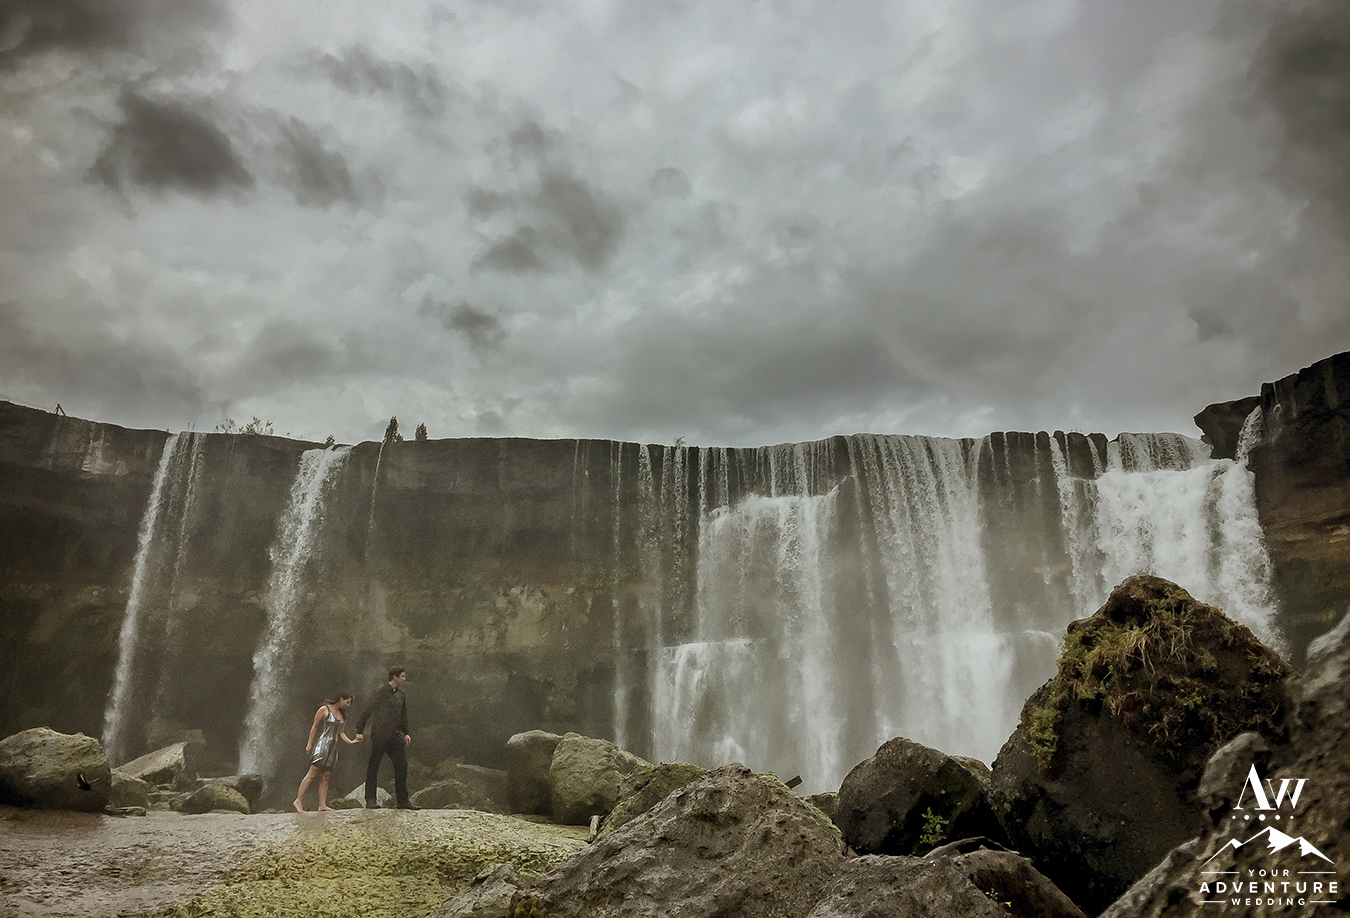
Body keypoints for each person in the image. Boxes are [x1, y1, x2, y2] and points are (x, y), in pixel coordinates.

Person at [353, 667, 416, 809]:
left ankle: (402, 801)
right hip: (380, 734)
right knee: (374, 765)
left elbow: (403, 715)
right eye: (402, 676)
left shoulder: (402, 694)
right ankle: (370, 799)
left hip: (395, 734)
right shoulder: (380, 691)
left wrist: (406, 732)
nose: (404, 679)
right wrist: (360, 730)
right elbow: (367, 709)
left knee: (402, 765)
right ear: (395, 677)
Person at [293, 692, 362, 812]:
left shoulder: (342, 715)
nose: (348, 705)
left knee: (326, 776)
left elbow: (341, 732)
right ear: (341, 699)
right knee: (312, 773)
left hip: (333, 748)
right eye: (347, 702)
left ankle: (322, 805)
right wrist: (309, 743)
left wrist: (351, 742)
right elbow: (314, 726)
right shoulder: (324, 710)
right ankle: (298, 800)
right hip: (322, 745)